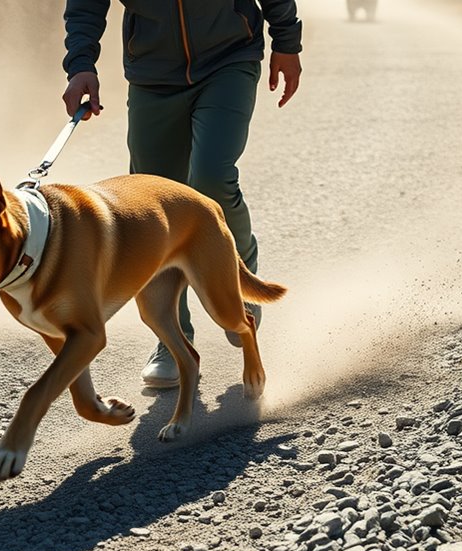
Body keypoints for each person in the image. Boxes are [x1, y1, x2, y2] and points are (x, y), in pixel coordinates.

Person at [61, 0, 303, 387]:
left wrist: (287, 41)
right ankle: (173, 337)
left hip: (229, 56)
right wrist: (81, 65)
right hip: (152, 74)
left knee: (212, 179)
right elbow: (86, 4)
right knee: (151, 211)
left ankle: (238, 281)